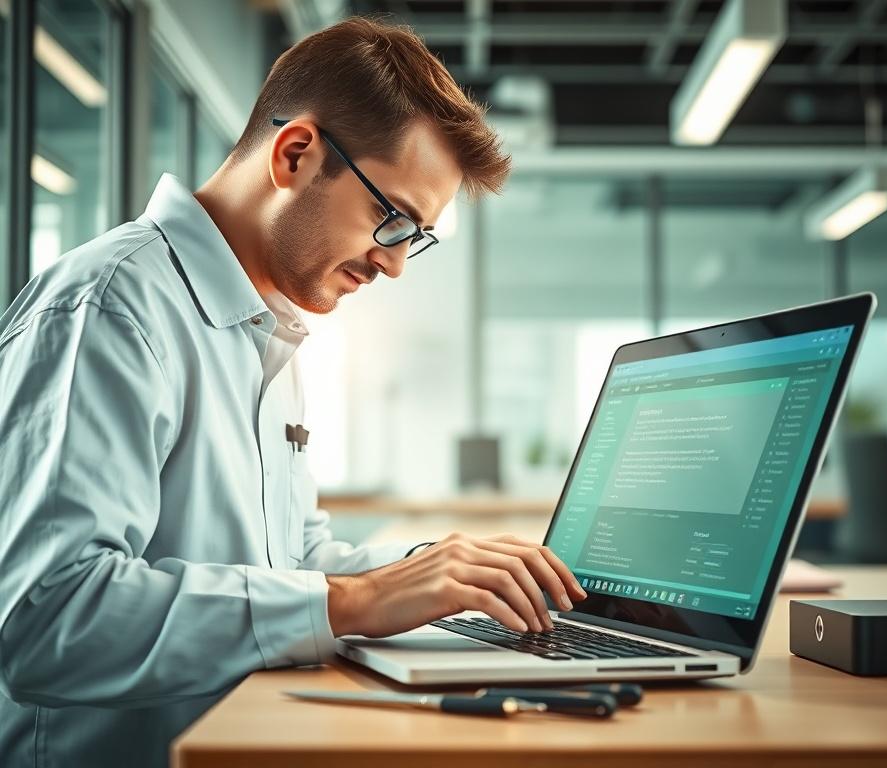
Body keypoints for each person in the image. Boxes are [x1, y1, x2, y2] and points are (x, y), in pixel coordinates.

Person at [0, 17, 585, 768]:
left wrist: (438, 571)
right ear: (296, 154)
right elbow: (45, 621)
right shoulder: (110, 308)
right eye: (393, 219)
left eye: (416, 236)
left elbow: (293, 563)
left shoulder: (266, 330)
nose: (396, 264)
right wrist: (359, 601)